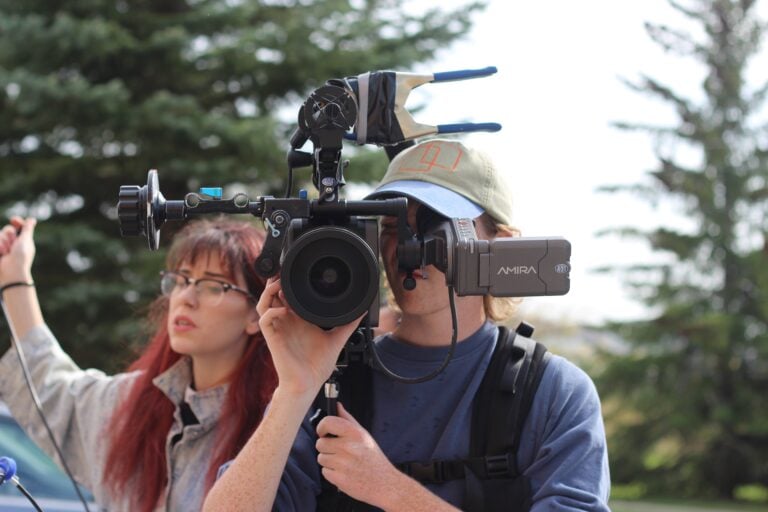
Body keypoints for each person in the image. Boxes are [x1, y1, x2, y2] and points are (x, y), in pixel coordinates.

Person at [203, 139, 611, 511]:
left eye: (433, 225)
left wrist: (391, 490)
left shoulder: (551, 390)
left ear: (497, 243)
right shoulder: (333, 380)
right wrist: (294, 390)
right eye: (394, 226)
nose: (408, 249)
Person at [0, 216, 277, 512]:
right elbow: (51, 393)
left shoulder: (276, 424)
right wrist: (15, 279)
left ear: (256, 313)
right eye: (182, 280)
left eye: (213, 285)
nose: (186, 298)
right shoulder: (134, 401)